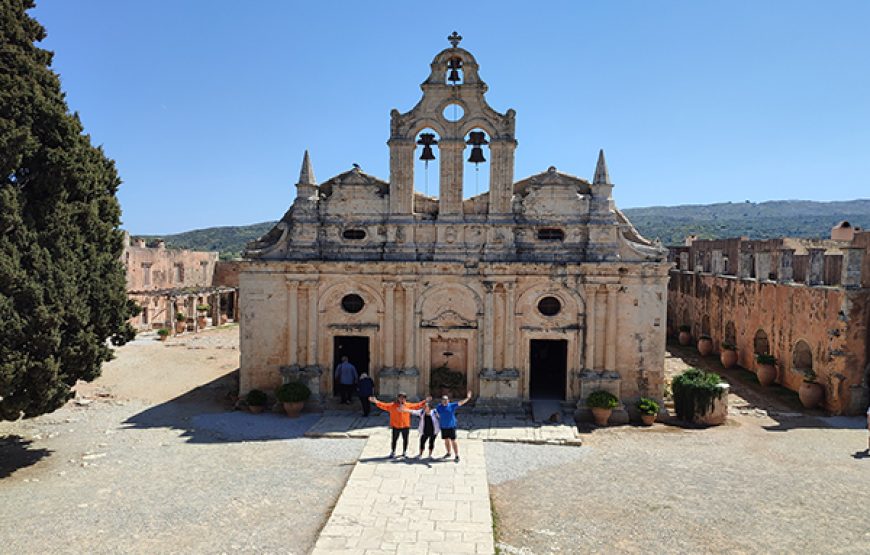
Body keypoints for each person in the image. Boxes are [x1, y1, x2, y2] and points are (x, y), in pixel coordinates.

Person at [369, 392, 430, 458]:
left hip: (405, 426)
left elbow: (417, 405)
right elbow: (384, 405)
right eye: (400, 398)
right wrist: (376, 401)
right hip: (396, 426)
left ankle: (404, 452)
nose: (402, 400)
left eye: (403, 398)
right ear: (398, 398)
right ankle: (393, 452)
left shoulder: (408, 405)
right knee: (394, 440)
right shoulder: (392, 405)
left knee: (405, 439)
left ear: (405, 399)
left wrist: (425, 401)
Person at [435, 390, 472, 463]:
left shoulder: (451, 405)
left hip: (451, 426)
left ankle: (457, 455)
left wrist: (467, 398)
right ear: (441, 401)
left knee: (453, 441)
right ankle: (448, 452)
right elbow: (436, 414)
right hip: (443, 426)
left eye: (446, 400)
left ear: (448, 400)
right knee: (446, 440)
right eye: (443, 400)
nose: (445, 401)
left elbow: (461, 403)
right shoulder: (439, 407)